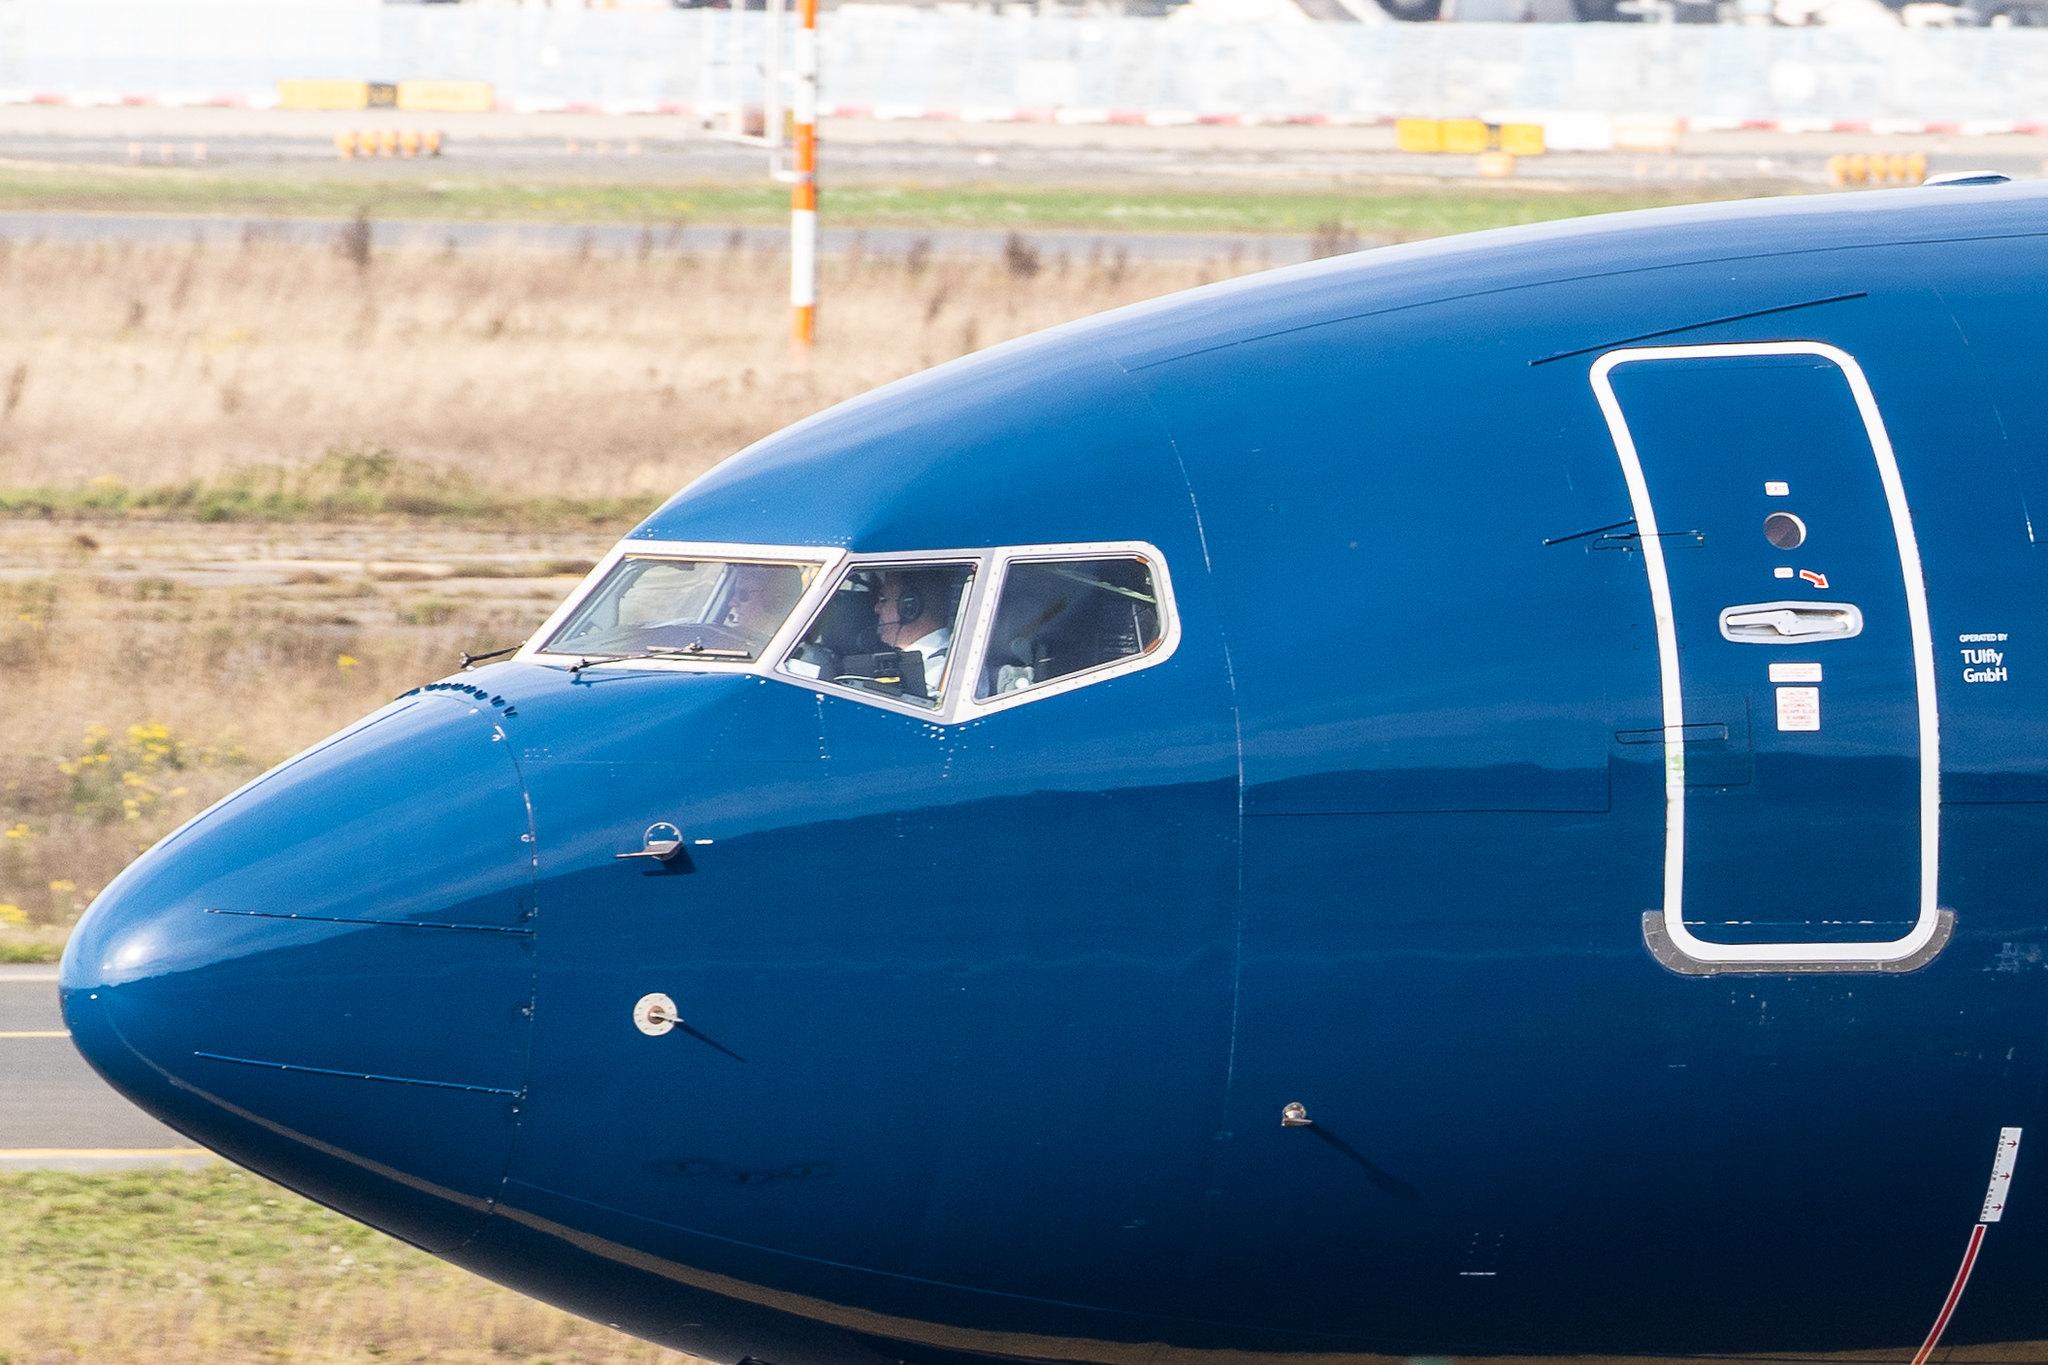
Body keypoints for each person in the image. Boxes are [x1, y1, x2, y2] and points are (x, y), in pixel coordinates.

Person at [872, 569, 956, 696]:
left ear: (909, 607)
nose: (876, 608)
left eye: (883, 599)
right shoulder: (903, 660)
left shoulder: (943, 670)